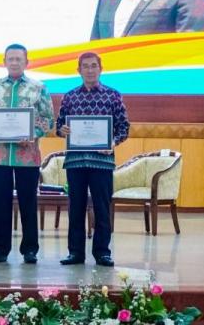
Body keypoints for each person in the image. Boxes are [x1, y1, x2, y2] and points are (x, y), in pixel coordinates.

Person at [0, 43, 54, 264]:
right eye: (10, 59)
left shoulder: (39, 88)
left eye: (18, 59)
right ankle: (0, 248)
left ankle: (30, 249)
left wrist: (33, 134)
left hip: (27, 155)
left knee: (28, 202)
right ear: (4, 61)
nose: (14, 62)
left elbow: (48, 119)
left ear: (26, 62)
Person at [56, 52, 130, 267]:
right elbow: (59, 127)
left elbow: (124, 128)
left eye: (94, 66)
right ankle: (75, 253)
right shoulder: (69, 96)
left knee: (102, 208)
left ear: (101, 69)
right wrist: (63, 129)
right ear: (78, 70)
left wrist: (113, 143)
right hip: (76, 162)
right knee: (76, 208)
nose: (90, 70)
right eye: (85, 66)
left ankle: (102, 252)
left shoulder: (113, 96)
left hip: (102, 162)